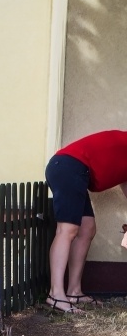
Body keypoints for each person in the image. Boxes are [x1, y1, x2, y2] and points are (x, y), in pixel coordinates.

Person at [44, 130, 127, 313]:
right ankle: (55, 295)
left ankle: (74, 292)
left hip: (74, 170)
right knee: (67, 230)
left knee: (87, 228)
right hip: (69, 166)